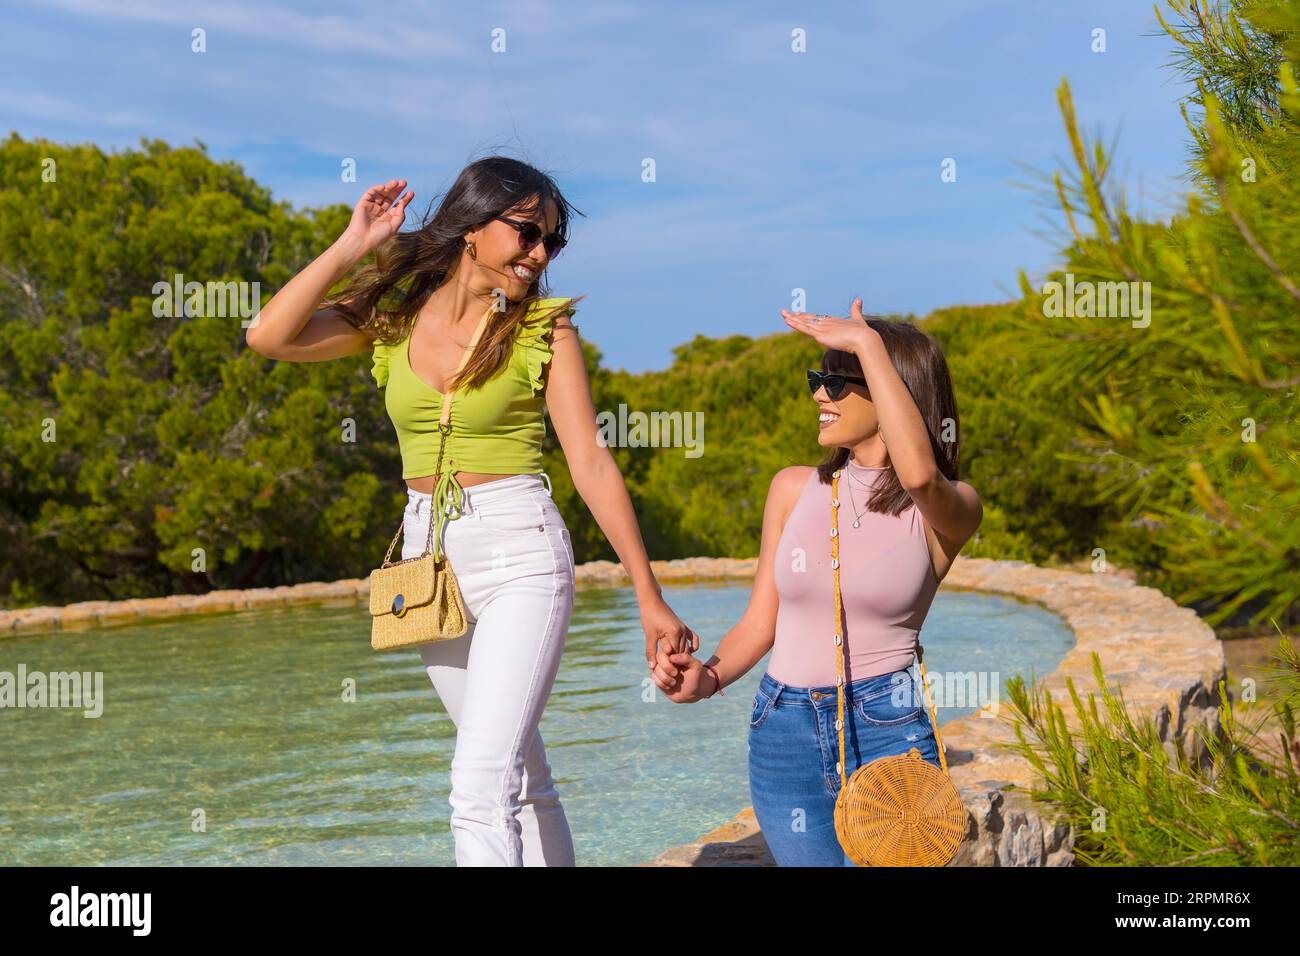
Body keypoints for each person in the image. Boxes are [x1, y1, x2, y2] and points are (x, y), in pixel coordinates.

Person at [246, 156, 698, 866]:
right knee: (518, 775)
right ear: (471, 227)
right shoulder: (391, 320)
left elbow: (590, 462)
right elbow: (268, 335)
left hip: (520, 550)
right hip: (431, 562)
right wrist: (351, 245)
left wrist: (649, 597)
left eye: (551, 241)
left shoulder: (545, 330)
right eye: (526, 233)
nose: (540, 253)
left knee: (476, 784)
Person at [650, 299, 982, 866]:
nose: (818, 395)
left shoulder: (949, 507)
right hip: (784, 730)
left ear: (894, 388)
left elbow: (920, 473)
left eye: (836, 379)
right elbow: (762, 623)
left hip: (886, 724)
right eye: (817, 378)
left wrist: (870, 344)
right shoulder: (791, 488)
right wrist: (706, 680)